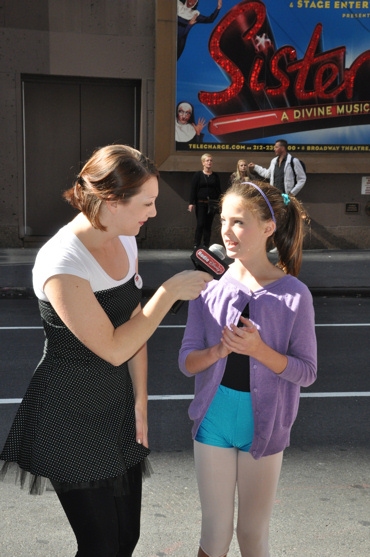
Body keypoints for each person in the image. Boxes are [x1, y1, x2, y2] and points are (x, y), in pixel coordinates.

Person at [0, 145, 212, 557]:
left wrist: (140, 401)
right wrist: (167, 293)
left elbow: (134, 323)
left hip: (114, 409)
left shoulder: (124, 238)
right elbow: (114, 348)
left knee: (125, 539)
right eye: (146, 203)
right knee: (100, 547)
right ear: (111, 201)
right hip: (68, 415)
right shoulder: (62, 261)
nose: (152, 213)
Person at [179, 180, 317, 557]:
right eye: (224, 220)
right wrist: (218, 351)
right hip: (213, 423)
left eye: (238, 221)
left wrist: (259, 349)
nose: (226, 231)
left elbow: (306, 371)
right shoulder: (208, 288)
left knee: (252, 536)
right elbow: (187, 362)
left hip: (267, 426)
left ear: (269, 228)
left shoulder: (294, 295)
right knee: (214, 535)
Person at [188, 153, 222, 249]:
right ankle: (196, 244)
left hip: (211, 204)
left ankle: (206, 245)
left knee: (208, 225)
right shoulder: (198, 175)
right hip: (200, 203)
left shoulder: (215, 176)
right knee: (200, 224)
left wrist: (221, 202)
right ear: (203, 162)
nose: (209, 162)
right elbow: (193, 189)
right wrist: (191, 202)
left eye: (211, 160)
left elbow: (218, 190)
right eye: (207, 160)